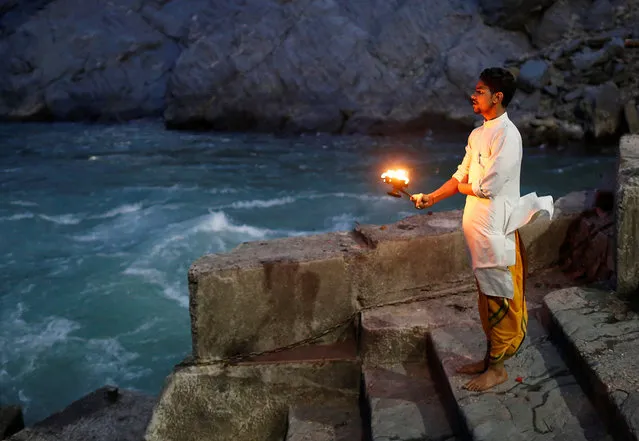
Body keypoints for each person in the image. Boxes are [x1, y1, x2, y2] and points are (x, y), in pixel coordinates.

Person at [410, 67, 553, 392]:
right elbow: (461, 174)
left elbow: (486, 187)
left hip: (496, 231)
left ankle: (498, 369)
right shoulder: (478, 134)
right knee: (487, 298)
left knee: (499, 297)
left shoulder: (508, 135)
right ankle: (490, 359)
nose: (472, 96)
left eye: (479, 91)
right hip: (478, 233)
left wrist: (462, 187)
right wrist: (431, 196)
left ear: (497, 97)